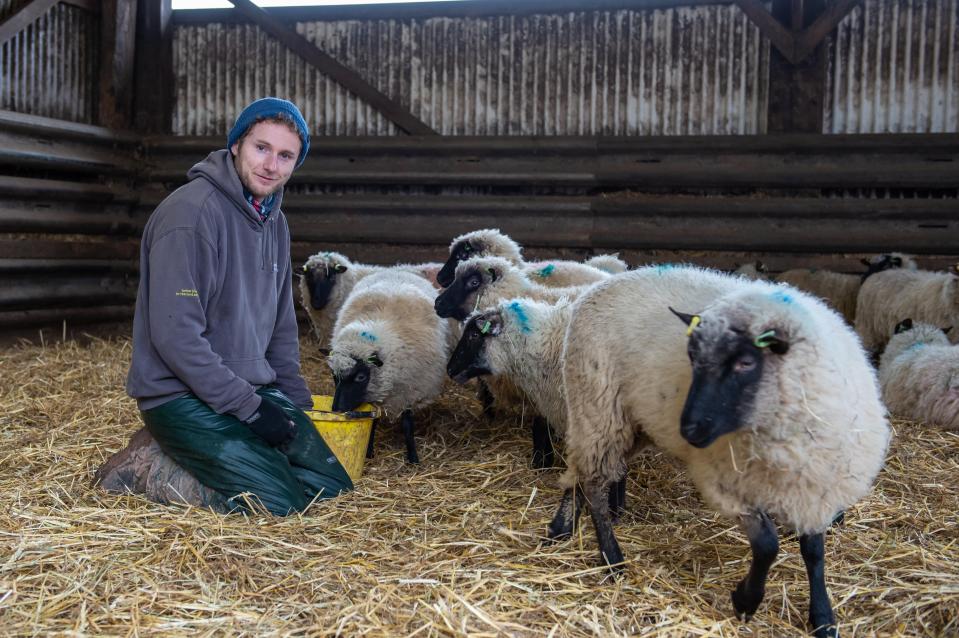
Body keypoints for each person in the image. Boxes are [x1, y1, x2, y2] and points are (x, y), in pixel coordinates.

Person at [116, 97, 353, 515]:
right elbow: (175, 336)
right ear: (237, 145)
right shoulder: (190, 216)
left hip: (248, 389)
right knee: (277, 505)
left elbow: (281, 327)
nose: (271, 165)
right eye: (261, 148)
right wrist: (252, 409)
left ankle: (232, 463)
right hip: (179, 396)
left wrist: (297, 406)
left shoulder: (274, 222)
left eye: (285, 156)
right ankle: (148, 468)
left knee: (332, 489)